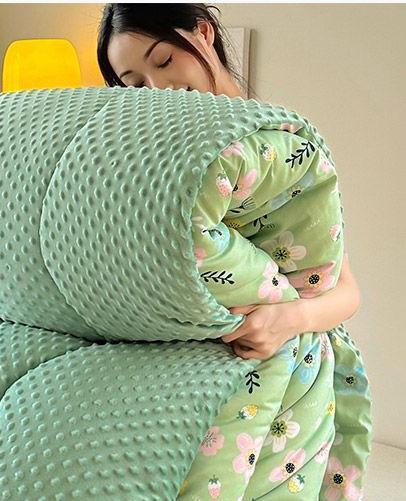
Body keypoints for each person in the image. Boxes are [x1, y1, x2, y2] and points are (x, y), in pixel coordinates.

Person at [97, 3, 361, 360]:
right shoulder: (153, 159)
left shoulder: (278, 145)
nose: (159, 89)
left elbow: (346, 291)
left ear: (203, 33)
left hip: (277, 356)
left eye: (164, 60)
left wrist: (289, 319)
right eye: (137, 84)